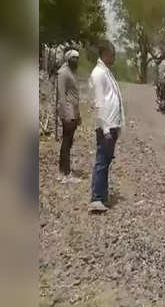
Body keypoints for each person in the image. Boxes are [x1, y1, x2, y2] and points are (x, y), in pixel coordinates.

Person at [88, 40, 124, 212]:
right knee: (102, 161)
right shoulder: (98, 74)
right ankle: (96, 198)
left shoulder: (105, 72)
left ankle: (102, 196)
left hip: (112, 124)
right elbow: (99, 102)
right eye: (113, 54)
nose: (114, 57)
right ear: (105, 54)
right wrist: (106, 129)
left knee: (107, 161)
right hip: (106, 126)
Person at [57, 49, 82, 184]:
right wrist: (65, 114)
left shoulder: (72, 72)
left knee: (69, 142)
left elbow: (75, 95)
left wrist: (78, 115)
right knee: (66, 142)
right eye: (73, 57)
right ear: (68, 58)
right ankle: (65, 173)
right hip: (67, 111)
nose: (76, 60)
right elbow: (62, 96)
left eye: (77, 57)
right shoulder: (63, 73)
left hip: (73, 111)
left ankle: (64, 170)